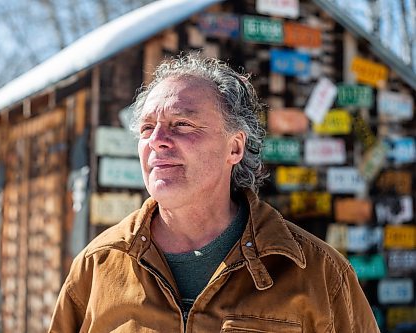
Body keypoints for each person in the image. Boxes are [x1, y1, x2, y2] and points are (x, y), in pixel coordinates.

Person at [49, 54, 380, 332]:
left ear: (234, 147)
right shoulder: (98, 266)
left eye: (182, 124)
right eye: (148, 128)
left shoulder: (319, 274)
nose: (157, 140)